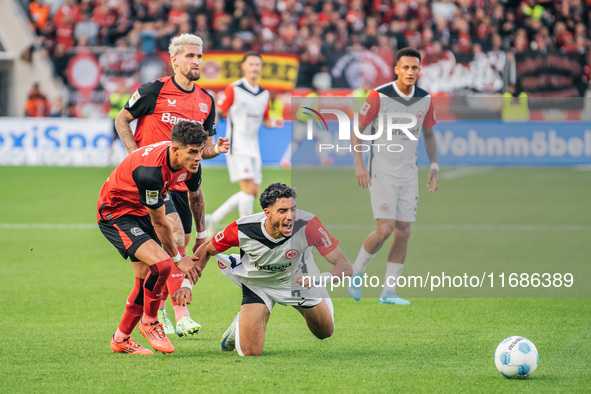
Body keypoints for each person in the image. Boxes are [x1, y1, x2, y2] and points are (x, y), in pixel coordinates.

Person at [115, 33, 229, 337]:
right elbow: (121, 120)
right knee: (176, 239)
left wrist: (215, 149)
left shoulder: (207, 101)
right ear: (174, 59)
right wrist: (134, 156)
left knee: (158, 261)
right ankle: (181, 314)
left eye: (199, 56)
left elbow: (200, 150)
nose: (196, 61)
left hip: (183, 185)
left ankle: (154, 313)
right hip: (154, 180)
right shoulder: (153, 90)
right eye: (190, 56)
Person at [173, 183, 353, 356]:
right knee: (251, 352)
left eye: (293, 209)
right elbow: (206, 250)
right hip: (258, 284)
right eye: (282, 211)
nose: (290, 216)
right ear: (267, 212)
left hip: (298, 283)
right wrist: (187, 285)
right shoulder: (242, 229)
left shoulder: (309, 225)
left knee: (325, 332)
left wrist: (318, 279)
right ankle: (239, 325)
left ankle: (244, 322)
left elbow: (344, 266)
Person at [98, 121, 206, 354]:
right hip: (116, 212)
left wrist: (201, 234)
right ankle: (150, 321)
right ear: (175, 149)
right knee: (161, 264)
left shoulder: (192, 164)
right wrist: (179, 258)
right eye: (193, 151)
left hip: (140, 210)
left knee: (143, 279)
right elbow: (159, 222)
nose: (198, 157)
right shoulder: (151, 172)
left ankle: (121, 339)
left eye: (200, 150)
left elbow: (195, 196)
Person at [347, 47, 439, 305]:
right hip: (382, 172)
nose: (410, 72)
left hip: (409, 173)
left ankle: (388, 291)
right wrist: (359, 164)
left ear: (420, 70)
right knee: (385, 229)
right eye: (405, 67)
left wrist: (434, 165)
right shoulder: (379, 95)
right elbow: (358, 130)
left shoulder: (425, 99)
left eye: (415, 68)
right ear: (396, 69)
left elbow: (429, 134)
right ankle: (357, 270)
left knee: (404, 231)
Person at [207, 52, 284, 233]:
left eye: (257, 64)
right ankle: (247, 231)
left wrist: (275, 122)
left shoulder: (264, 94)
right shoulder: (234, 89)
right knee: (248, 190)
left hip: (253, 147)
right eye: (251, 64)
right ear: (244, 66)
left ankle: (214, 218)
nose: (254, 68)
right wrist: (210, 134)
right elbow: (218, 111)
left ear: (261, 67)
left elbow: (265, 120)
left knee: (253, 192)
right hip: (237, 144)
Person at [279, 86, 333, 169]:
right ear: (317, 90)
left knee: (297, 141)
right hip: (305, 123)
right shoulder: (313, 97)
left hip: (302, 122)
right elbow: (308, 111)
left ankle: (285, 160)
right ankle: (323, 159)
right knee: (317, 139)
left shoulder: (310, 97)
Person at [108, 81, 131, 158]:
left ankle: (126, 152)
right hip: (114, 118)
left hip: (123, 119)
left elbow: (125, 106)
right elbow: (116, 104)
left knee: (125, 135)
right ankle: (110, 152)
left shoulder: (127, 96)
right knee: (114, 136)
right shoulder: (114, 96)